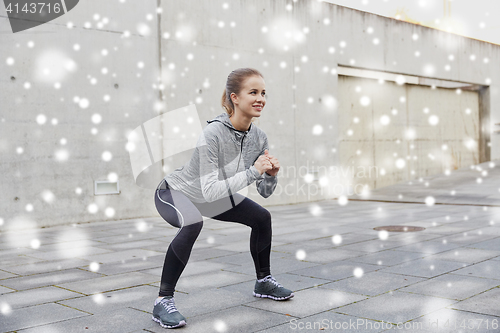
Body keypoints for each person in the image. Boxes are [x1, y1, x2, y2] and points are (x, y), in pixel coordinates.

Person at [152, 68, 294, 329]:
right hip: (175, 192)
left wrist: (271, 175)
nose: (260, 98)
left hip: (210, 195)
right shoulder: (212, 134)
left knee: (262, 217)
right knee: (193, 222)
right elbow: (210, 191)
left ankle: (263, 281)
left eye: (263, 93)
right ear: (235, 97)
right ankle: (163, 301)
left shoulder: (259, 137)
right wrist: (253, 172)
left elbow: (264, 191)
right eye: (253, 92)